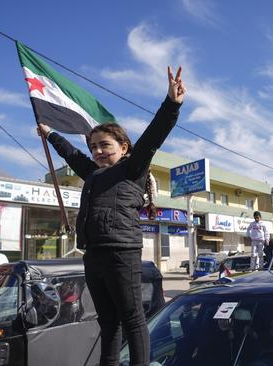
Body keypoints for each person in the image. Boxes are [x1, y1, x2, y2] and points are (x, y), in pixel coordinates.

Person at [37, 66, 185, 366]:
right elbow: (71, 154)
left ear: (124, 147)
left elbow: (154, 135)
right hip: (93, 256)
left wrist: (171, 104)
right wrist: (50, 133)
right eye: (94, 147)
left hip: (122, 253)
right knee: (108, 322)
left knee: (132, 318)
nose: (98, 152)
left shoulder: (132, 169)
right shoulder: (92, 174)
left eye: (105, 145)